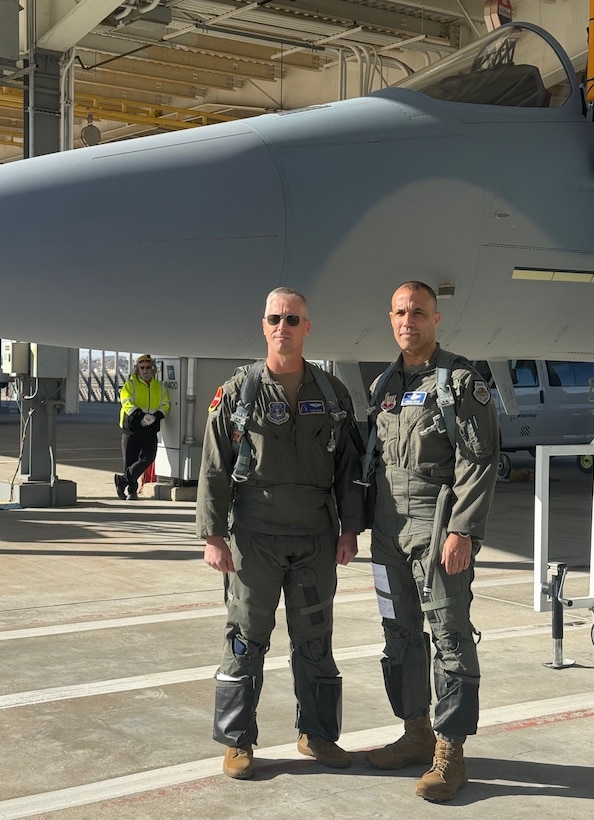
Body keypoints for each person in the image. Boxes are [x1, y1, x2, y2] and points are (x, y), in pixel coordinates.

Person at [196, 286, 365, 780]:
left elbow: (349, 468)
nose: (283, 327)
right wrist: (213, 535)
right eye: (275, 318)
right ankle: (237, 741)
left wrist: (350, 529)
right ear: (264, 324)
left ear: (307, 327)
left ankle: (318, 734)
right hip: (255, 537)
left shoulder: (331, 393)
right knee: (245, 639)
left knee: (315, 639)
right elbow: (214, 466)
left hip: (315, 536)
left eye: (293, 319)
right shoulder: (238, 391)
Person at [364, 281, 499, 802]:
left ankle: (450, 751)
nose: (408, 320)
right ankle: (415, 732)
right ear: (390, 318)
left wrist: (463, 529)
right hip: (387, 532)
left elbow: (479, 461)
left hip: (437, 528)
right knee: (398, 633)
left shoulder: (459, 382)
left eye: (418, 312)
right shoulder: (383, 385)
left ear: (435, 319)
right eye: (400, 312)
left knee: (449, 636)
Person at [115, 354, 170, 500]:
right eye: (142, 368)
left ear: (153, 369)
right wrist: (141, 415)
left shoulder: (160, 386)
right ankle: (132, 491)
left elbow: (166, 404)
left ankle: (123, 480)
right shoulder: (130, 385)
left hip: (150, 427)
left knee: (149, 457)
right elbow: (126, 402)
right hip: (132, 427)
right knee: (130, 460)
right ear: (138, 370)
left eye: (148, 367)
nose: (145, 370)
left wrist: (156, 416)